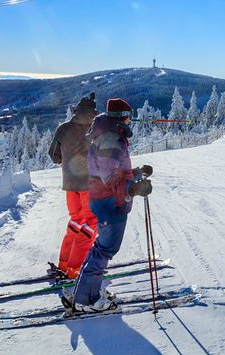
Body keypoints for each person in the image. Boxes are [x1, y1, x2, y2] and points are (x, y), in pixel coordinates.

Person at [63, 98, 153, 314]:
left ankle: (83, 290)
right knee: (105, 249)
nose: (131, 119)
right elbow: (109, 177)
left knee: (100, 248)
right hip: (110, 203)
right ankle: (86, 299)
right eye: (129, 115)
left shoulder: (109, 135)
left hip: (105, 200)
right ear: (122, 116)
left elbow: (113, 170)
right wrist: (133, 189)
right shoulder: (112, 139)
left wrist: (137, 172)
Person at [48, 92, 98, 279]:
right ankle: (75, 269)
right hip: (91, 186)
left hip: (70, 185)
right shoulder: (97, 129)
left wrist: (68, 159)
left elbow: (54, 156)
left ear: (77, 111)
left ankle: (65, 263)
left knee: (76, 221)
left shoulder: (63, 129)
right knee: (90, 225)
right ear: (94, 112)